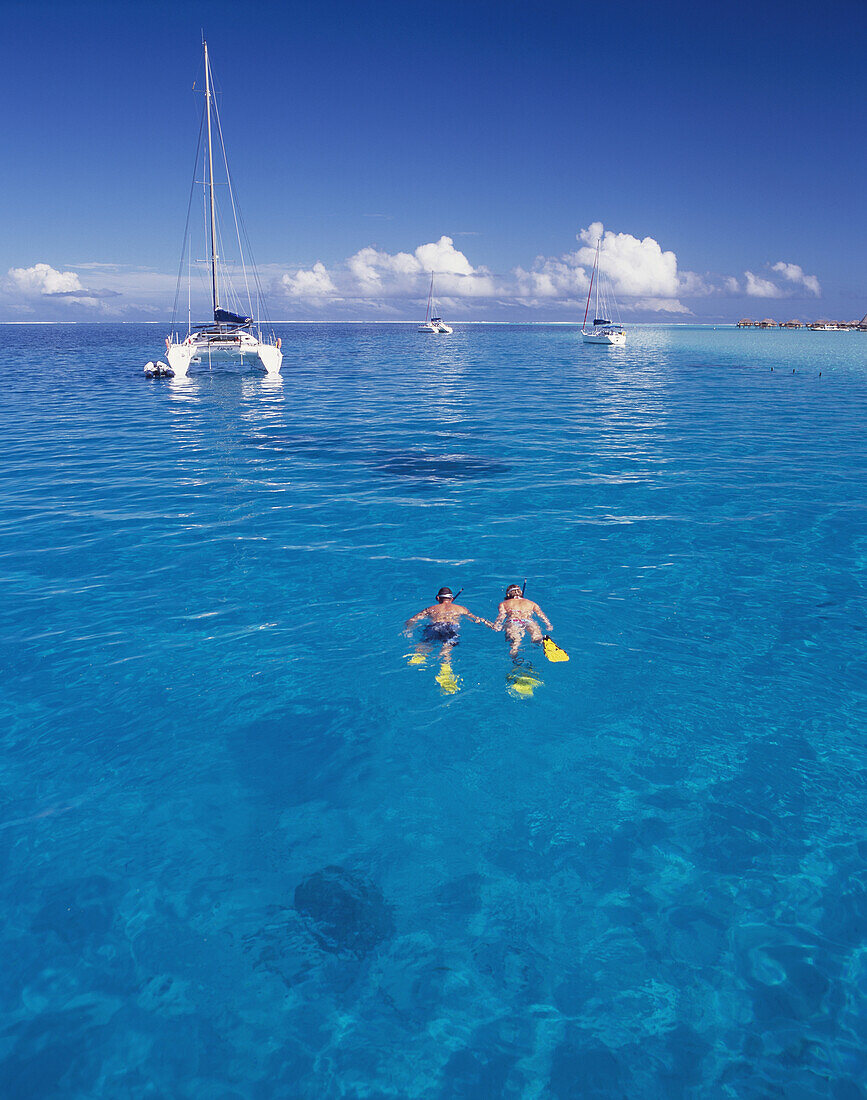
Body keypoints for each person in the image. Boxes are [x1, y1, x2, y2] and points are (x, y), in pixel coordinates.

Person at [403, 587, 493, 672]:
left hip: (435, 626)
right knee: (447, 648)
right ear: (452, 599)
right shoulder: (461, 609)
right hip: (450, 627)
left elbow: (412, 620)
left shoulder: (431, 609)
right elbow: (476, 619)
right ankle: (445, 667)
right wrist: (490, 624)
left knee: (426, 643)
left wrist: (407, 630)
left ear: (438, 598)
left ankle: (418, 657)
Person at [492, 583, 553, 660]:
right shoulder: (531, 603)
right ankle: (542, 640)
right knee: (536, 637)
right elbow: (541, 615)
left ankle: (515, 658)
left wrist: (497, 625)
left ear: (508, 595)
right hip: (528, 621)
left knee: (515, 642)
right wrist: (548, 625)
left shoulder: (503, 604)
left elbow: (501, 616)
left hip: (513, 621)